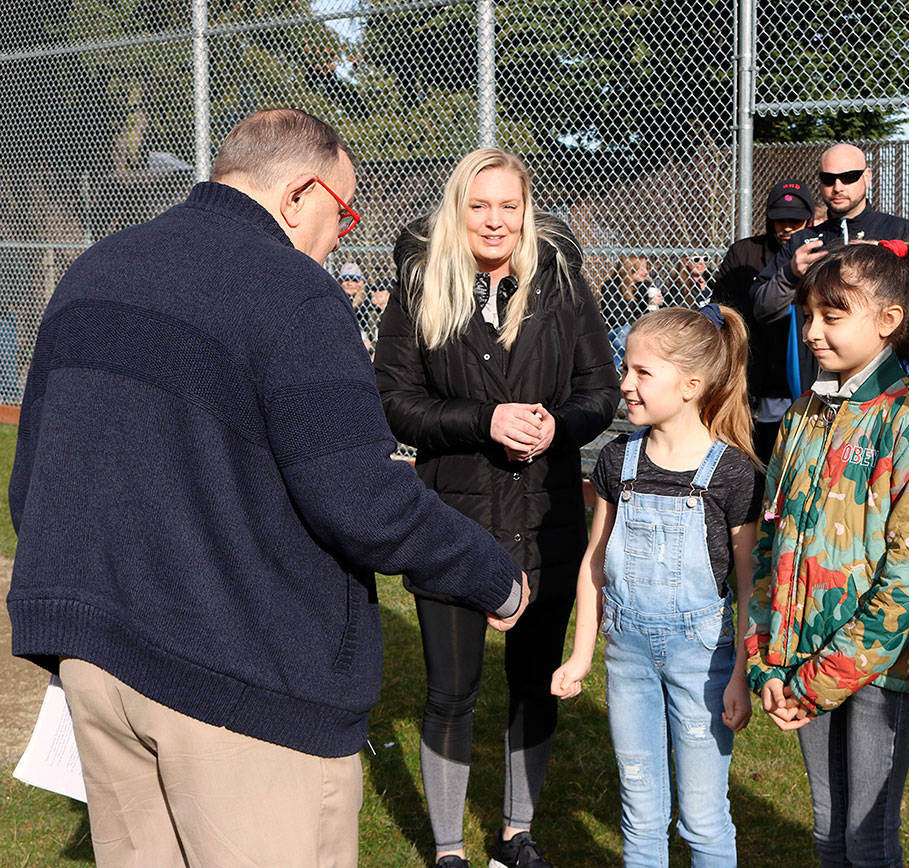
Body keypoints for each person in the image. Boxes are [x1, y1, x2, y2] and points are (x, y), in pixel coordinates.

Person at [6, 108, 529, 868]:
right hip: (244, 688)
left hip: (97, 663)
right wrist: (492, 576)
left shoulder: (97, 268)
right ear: (298, 196)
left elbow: (37, 477)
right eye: (342, 214)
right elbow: (361, 497)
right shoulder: (294, 293)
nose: (339, 235)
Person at [375, 147, 619, 867]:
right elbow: (395, 401)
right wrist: (483, 422)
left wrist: (558, 425)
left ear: (527, 210)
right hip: (451, 518)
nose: (494, 220)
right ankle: (449, 849)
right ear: (457, 210)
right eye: (479, 205)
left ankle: (518, 835)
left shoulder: (562, 285)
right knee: (450, 689)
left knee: (533, 682)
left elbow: (599, 391)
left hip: (545, 518)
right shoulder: (422, 285)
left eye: (508, 205)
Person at [747, 241, 909, 867]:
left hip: (880, 672)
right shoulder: (803, 414)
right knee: (826, 827)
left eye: (832, 316)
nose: (812, 331)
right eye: (808, 314)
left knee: (867, 837)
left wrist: (819, 682)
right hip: (798, 656)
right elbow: (773, 538)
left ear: (888, 320)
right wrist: (766, 658)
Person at [551, 303, 763, 867]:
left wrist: (742, 674)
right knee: (640, 813)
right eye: (627, 369)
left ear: (692, 385)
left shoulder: (734, 473)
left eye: (643, 373)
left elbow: (749, 588)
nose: (626, 385)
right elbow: (596, 560)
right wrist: (581, 655)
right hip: (629, 664)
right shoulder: (617, 460)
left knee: (703, 818)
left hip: (704, 667)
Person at [749, 144, 909, 397]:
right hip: (816, 389)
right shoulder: (802, 242)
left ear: (867, 177)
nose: (837, 187)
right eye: (828, 179)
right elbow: (760, 308)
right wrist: (791, 274)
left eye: (848, 177)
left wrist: (888, 259)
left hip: (888, 386)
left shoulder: (900, 231)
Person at [713, 178, 815, 462]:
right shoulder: (744, 253)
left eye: (795, 220)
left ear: (808, 219)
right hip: (752, 374)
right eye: (780, 219)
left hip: (798, 374)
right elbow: (723, 306)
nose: (787, 227)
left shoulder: (816, 251)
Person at [600, 254, 663, 366]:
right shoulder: (611, 287)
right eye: (642, 268)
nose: (646, 272)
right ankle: (616, 367)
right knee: (627, 331)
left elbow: (652, 317)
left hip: (641, 328)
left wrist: (654, 305)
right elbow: (618, 319)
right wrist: (643, 315)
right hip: (616, 331)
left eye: (646, 268)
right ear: (630, 268)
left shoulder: (645, 286)